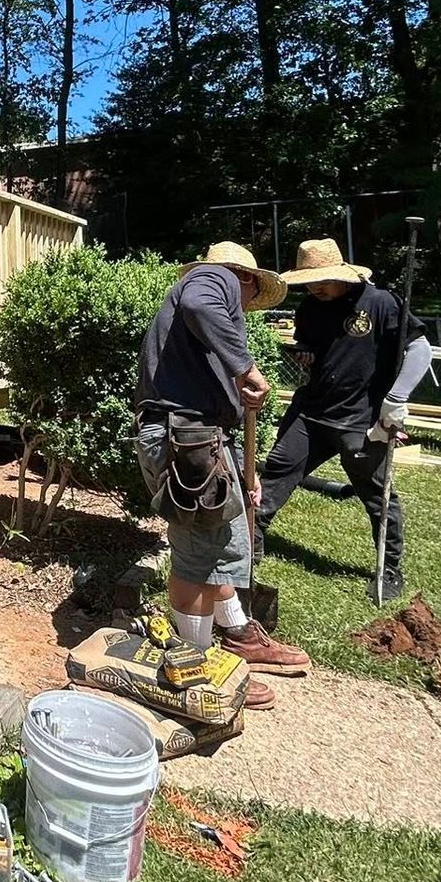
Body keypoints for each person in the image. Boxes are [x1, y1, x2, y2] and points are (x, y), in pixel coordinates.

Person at [136, 242, 310, 708]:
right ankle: (196, 669)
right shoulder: (216, 280)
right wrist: (246, 368)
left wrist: (239, 469)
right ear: (245, 279)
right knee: (198, 557)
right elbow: (198, 303)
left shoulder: (213, 302)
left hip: (207, 443)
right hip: (186, 443)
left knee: (228, 544)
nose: (247, 305)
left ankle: (237, 636)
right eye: (250, 297)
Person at [254, 238, 432, 603]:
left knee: (378, 498)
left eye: (322, 280)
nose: (315, 287)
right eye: (309, 281)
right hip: (312, 414)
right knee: (272, 478)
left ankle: (389, 569)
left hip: (361, 420)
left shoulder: (381, 303)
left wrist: (396, 399)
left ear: (341, 273)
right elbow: (314, 348)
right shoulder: (309, 308)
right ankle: (247, 553)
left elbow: (420, 348)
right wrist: (306, 353)